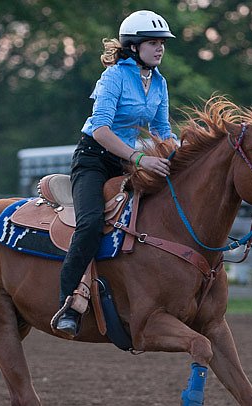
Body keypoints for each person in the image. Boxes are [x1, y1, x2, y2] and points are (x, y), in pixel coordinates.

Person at [51, 10, 177, 338]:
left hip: (127, 162)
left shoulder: (160, 82)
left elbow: (162, 130)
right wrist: (140, 158)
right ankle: (68, 304)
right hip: (93, 160)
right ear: (134, 47)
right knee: (91, 222)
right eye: (153, 43)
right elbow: (101, 129)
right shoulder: (113, 77)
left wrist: (181, 153)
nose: (160, 48)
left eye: (162, 43)